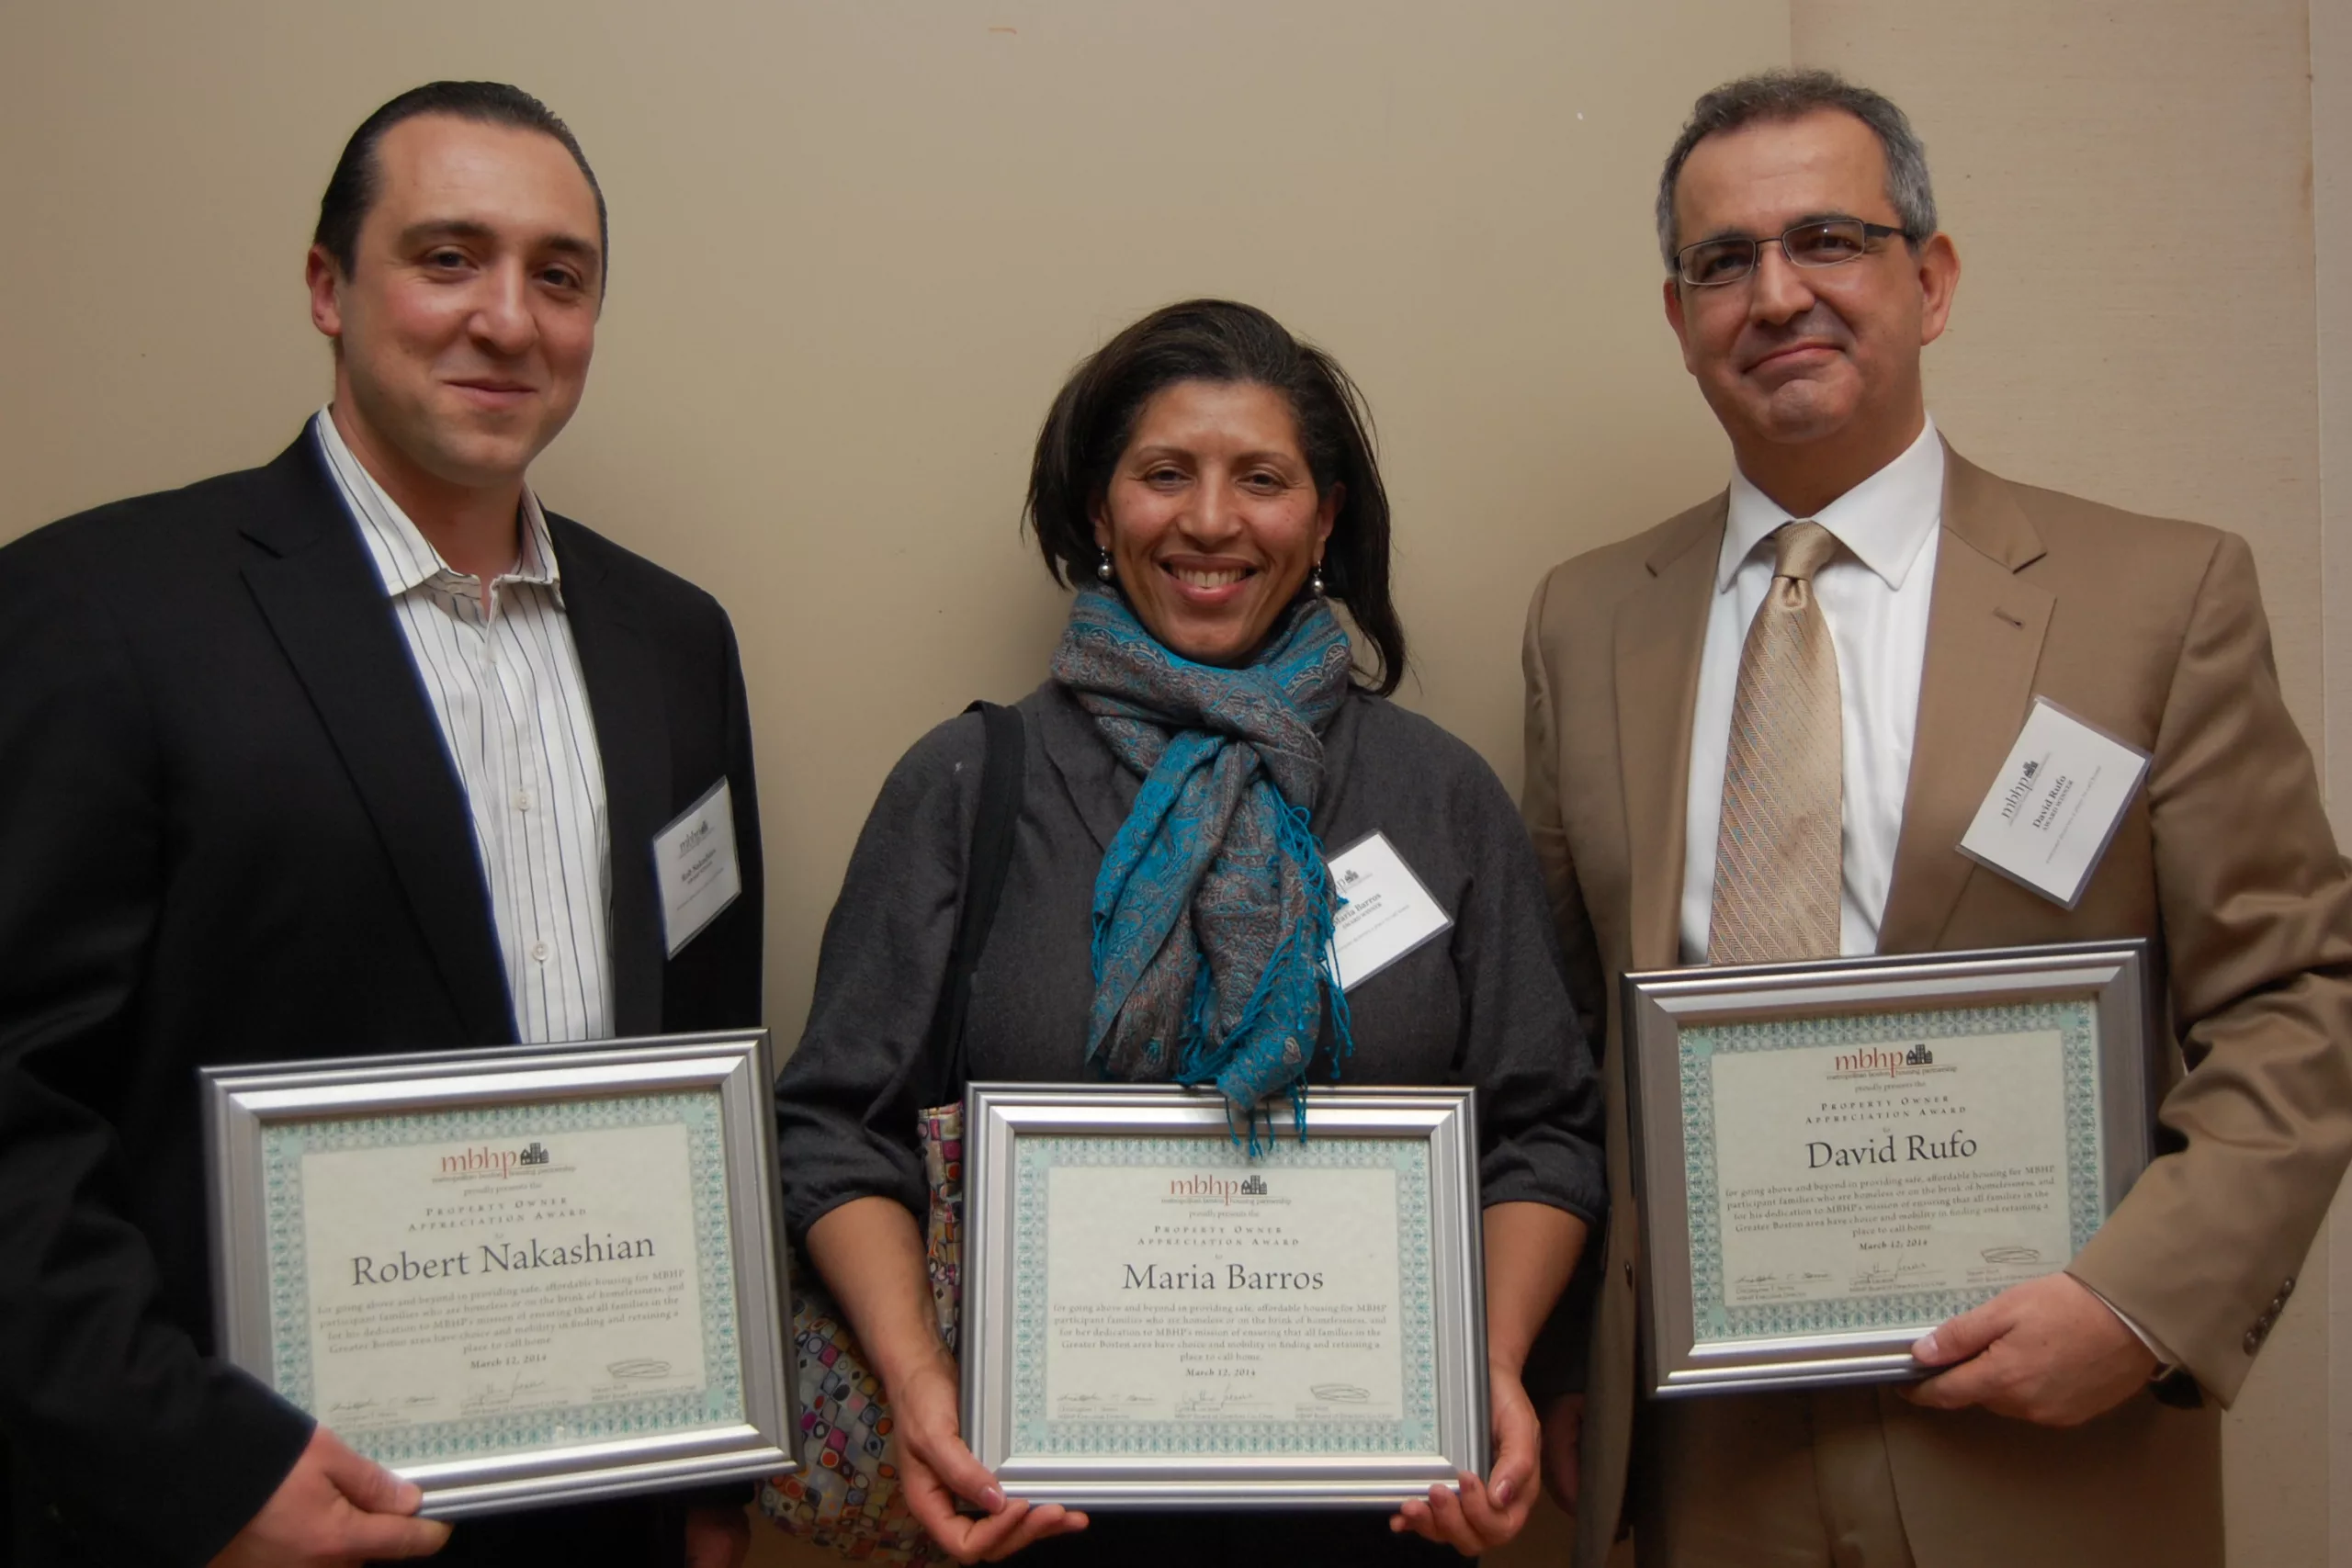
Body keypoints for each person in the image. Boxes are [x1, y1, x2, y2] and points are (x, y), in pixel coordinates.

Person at [1519, 67, 2352, 1568]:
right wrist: (1571, 1354)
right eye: (1725, 261)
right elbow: (1565, 1038)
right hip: (1705, 1458)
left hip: (2044, 1451)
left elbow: (2296, 995)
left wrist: (2142, 1303)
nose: (1777, 294)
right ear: (1679, 316)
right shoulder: (1586, 624)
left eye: (1828, 240)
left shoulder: (2159, 601)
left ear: (1933, 277)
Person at [0, 83, 763, 1568]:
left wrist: (719, 1454)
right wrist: (193, 1469)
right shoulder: (99, 609)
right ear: (326, 286)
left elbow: (709, 1029)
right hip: (258, 1509)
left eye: (560, 275)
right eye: (447, 257)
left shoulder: (677, 640)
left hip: (608, 1495)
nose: (508, 319)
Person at [775, 299, 1604, 1564]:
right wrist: (918, 1382)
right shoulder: (965, 783)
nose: (1211, 520)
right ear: (1101, 513)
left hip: (1379, 1512)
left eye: (1261, 479)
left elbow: (1545, 1125)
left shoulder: (1436, 797)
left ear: (1322, 518)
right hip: (1034, 1513)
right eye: (1166, 473)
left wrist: (1484, 1361)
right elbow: (837, 1124)